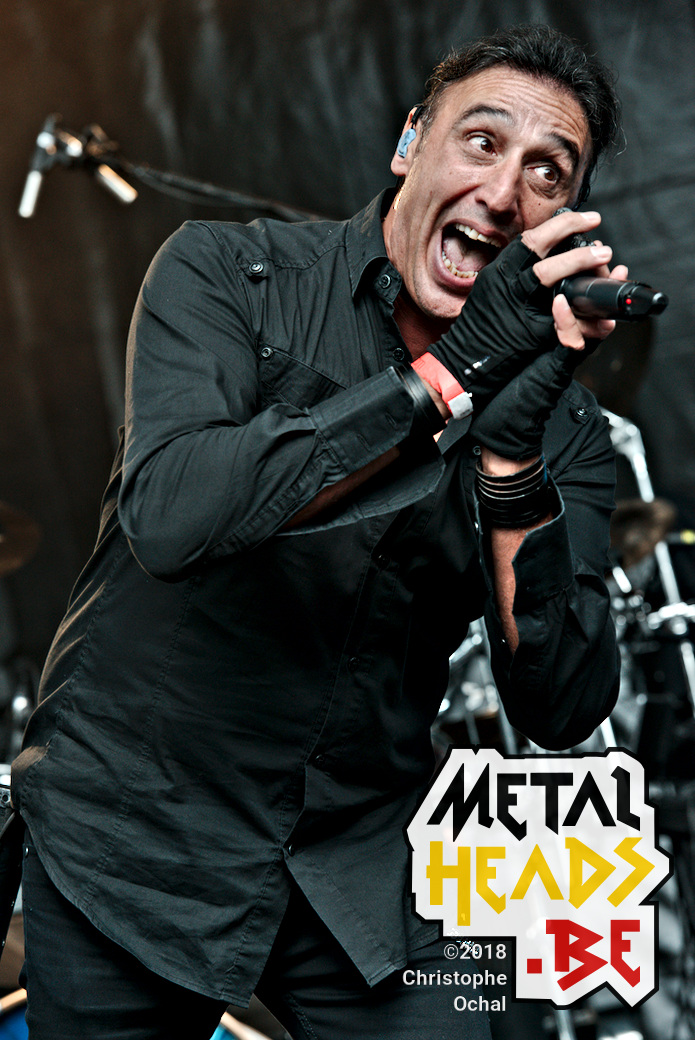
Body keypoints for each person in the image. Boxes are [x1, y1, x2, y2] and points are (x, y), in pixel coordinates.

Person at [13, 23, 624, 1040]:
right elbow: (171, 518)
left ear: (560, 223)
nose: (502, 190)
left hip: (362, 855)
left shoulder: (566, 425)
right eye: (480, 142)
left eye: (545, 173)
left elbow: (560, 704)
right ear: (409, 143)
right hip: (135, 827)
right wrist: (444, 378)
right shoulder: (227, 271)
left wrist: (514, 466)